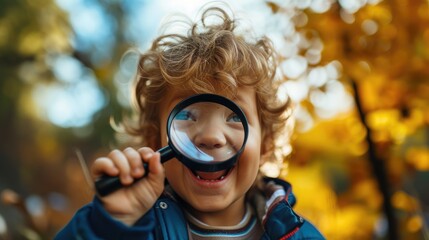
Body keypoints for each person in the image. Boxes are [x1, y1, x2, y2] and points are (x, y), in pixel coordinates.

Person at [55, 4, 325, 240]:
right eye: (186, 115)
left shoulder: (299, 235)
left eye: (234, 117)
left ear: (265, 145)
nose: (211, 136)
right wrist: (110, 226)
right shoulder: (133, 224)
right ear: (154, 141)